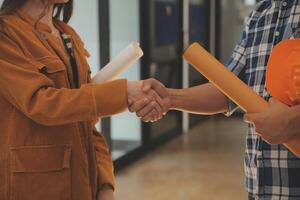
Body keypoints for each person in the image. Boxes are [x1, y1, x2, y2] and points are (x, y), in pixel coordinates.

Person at [131, 1, 300, 199]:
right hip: (262, 190)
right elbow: (229, 91)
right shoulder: (261, 13)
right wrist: (170, 98)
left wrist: (294, 120)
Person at [0, 0, 164, 200]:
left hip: (82, 185)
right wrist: (123, 93)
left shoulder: (66, 34)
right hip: (33, 187)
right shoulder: (6, 33)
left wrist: (105, 184)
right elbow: (41, 103)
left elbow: (88, 122)